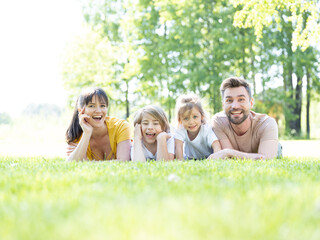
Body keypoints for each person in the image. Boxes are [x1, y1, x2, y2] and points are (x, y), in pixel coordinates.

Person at [212, 77, 280, 160]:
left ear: (251, 103)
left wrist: (228, 152)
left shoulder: (267, 123)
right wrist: (228, 153)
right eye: (229, 100)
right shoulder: (218, 122)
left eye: (241, 99)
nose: (235, 106)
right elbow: (229, 160)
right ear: (223, 105)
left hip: (270, 146)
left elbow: (266, 159)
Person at [66, 87, 131, 161]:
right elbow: (72, 163)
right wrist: (86, 134)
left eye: (102, 106)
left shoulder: (120, 126)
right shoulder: (76, 134)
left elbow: (123, 161)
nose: (98, 111)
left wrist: (89, 164)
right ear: (81, 111)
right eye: (91, 106)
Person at [174, 94, 221, 160]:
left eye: (195, 117)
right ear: (180, 120)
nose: (191, 122)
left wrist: (216, 159)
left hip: (208, 157)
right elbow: (178, 147)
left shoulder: (206, 129)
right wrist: (180, 162)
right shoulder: (181, 130)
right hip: (190, 158)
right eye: (186, 118)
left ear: (202, 116)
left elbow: (216, 145)